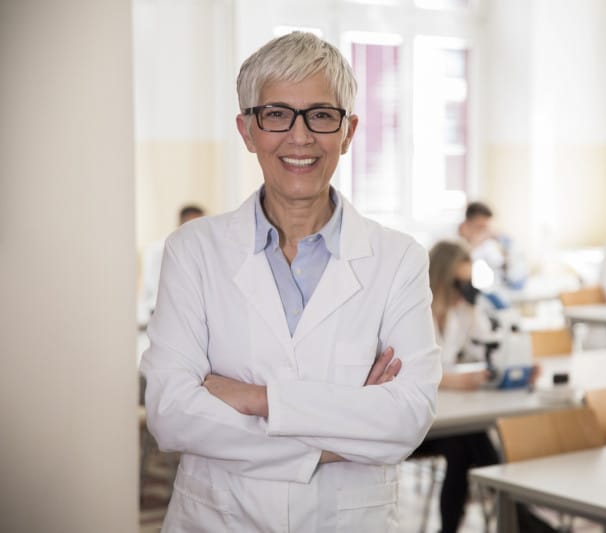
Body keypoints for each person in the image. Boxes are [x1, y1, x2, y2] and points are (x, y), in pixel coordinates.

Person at [140, 32, 441, 532]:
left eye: (321, 115)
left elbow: (406, 418)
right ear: (247, 130)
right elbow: (171, 413)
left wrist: (258, 399)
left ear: (348, 131)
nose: (300, 137)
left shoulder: (399, 260)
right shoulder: (192, 251)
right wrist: (334, 439)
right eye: (276, 114)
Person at [414, 241, 553, 533]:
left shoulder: (465, 310)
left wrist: (515, 367)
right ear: (440, 278)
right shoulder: (413, 311)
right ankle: (525, 522)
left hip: (448, 421)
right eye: (458, 282)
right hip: (413, 424)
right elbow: (407, 370)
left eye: (468, 282)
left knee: (463, 443)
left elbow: (487, 348)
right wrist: (453, 380)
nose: (463, 290)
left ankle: (500, 522)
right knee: (469, 440)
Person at [137, 204, 205, 325]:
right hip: (161, 309)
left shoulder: (202, 251)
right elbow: (149, 286)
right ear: (181, 222)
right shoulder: (158, 250)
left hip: (192, 312)